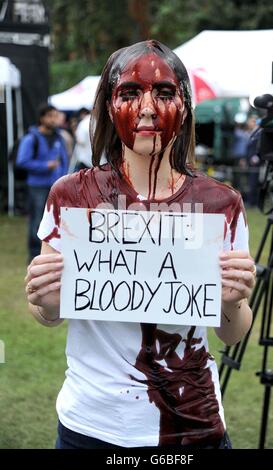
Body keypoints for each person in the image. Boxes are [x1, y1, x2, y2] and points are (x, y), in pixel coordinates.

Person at [24, 40, 255, 449]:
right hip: (92, 425)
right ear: (109, 107)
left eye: (164, 93)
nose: (147, 107)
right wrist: (43, 298)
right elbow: (48, 314)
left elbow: (231, 334)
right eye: (130, 92)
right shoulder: (71, 196)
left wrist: (233, 301)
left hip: (191, 426)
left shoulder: (222, 204)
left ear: (183, 107)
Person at [16, 104, 69, 262]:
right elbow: (22, 161)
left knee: (57, 219)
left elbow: (64, 159)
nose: (54, 120)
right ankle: (34, 254)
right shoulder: (31, 138)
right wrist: (44, 166)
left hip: (55, 185)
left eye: (56, 116)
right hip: (37, 185)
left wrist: (64, 178)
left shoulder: (59, 137)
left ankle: (51, 252)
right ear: (42, 118)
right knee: (37, 219)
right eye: (51, 116)